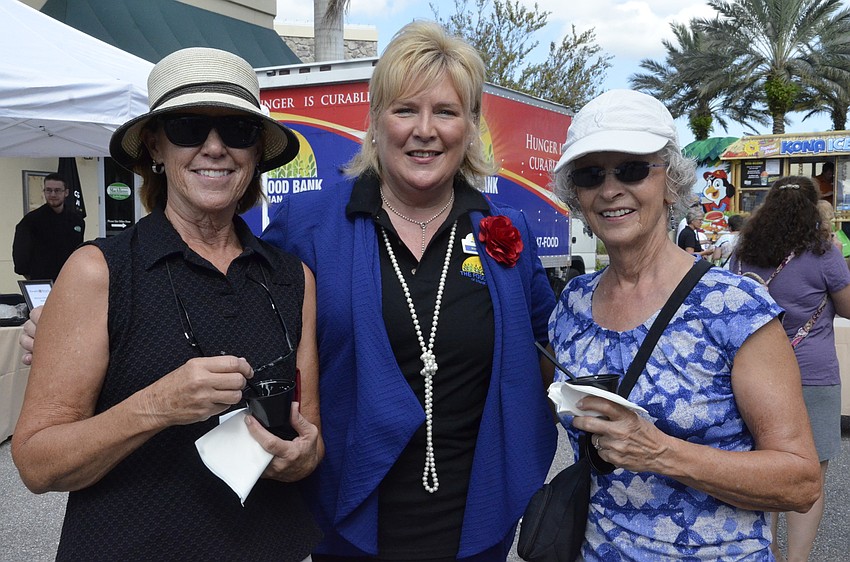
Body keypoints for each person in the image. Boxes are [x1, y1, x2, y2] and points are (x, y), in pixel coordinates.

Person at [11, 47, 323, 561]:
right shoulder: (100, 271)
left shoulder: (291, 278)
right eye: (189, 128)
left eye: (238, 132)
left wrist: (299, 458)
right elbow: (37, 463)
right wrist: (157, 406)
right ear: (156, 146)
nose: (215, 148)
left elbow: (308, 439)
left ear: (256, 153)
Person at [261, 21, 558, 561]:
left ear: (470, 128)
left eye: (446, 112)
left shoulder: (507, 231)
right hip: (350, 520)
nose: (425, 130)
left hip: (475, 524)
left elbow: (553, 353)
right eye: (404, 110)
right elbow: (254, 338)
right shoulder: (307, 226)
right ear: (375, 122)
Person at [548, 89, 821, 560]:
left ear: (670, 183)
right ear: (578, 195)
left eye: (632, 169)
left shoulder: (733, 305)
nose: (611, 189)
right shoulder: (572, 303)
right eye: (592, 175)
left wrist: (660, 453)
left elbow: (799, 481)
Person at [731, 176, 850, 562]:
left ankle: (767, 551)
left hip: (754, 374)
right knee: (808, 475)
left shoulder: (746, 251)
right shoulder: (824, 251)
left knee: (763, 469)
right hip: (813, 375)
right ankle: (796, 560)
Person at [12, 173, 84, 280]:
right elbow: (20, 255)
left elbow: (78, 253)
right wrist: (32, 278)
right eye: (49, 190)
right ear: (44, 192)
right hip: (41, 281)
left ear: (66, 192)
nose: (53, 194)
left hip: (69, 280)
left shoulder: (77, 221)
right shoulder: (30, 221)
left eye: (57, 190)